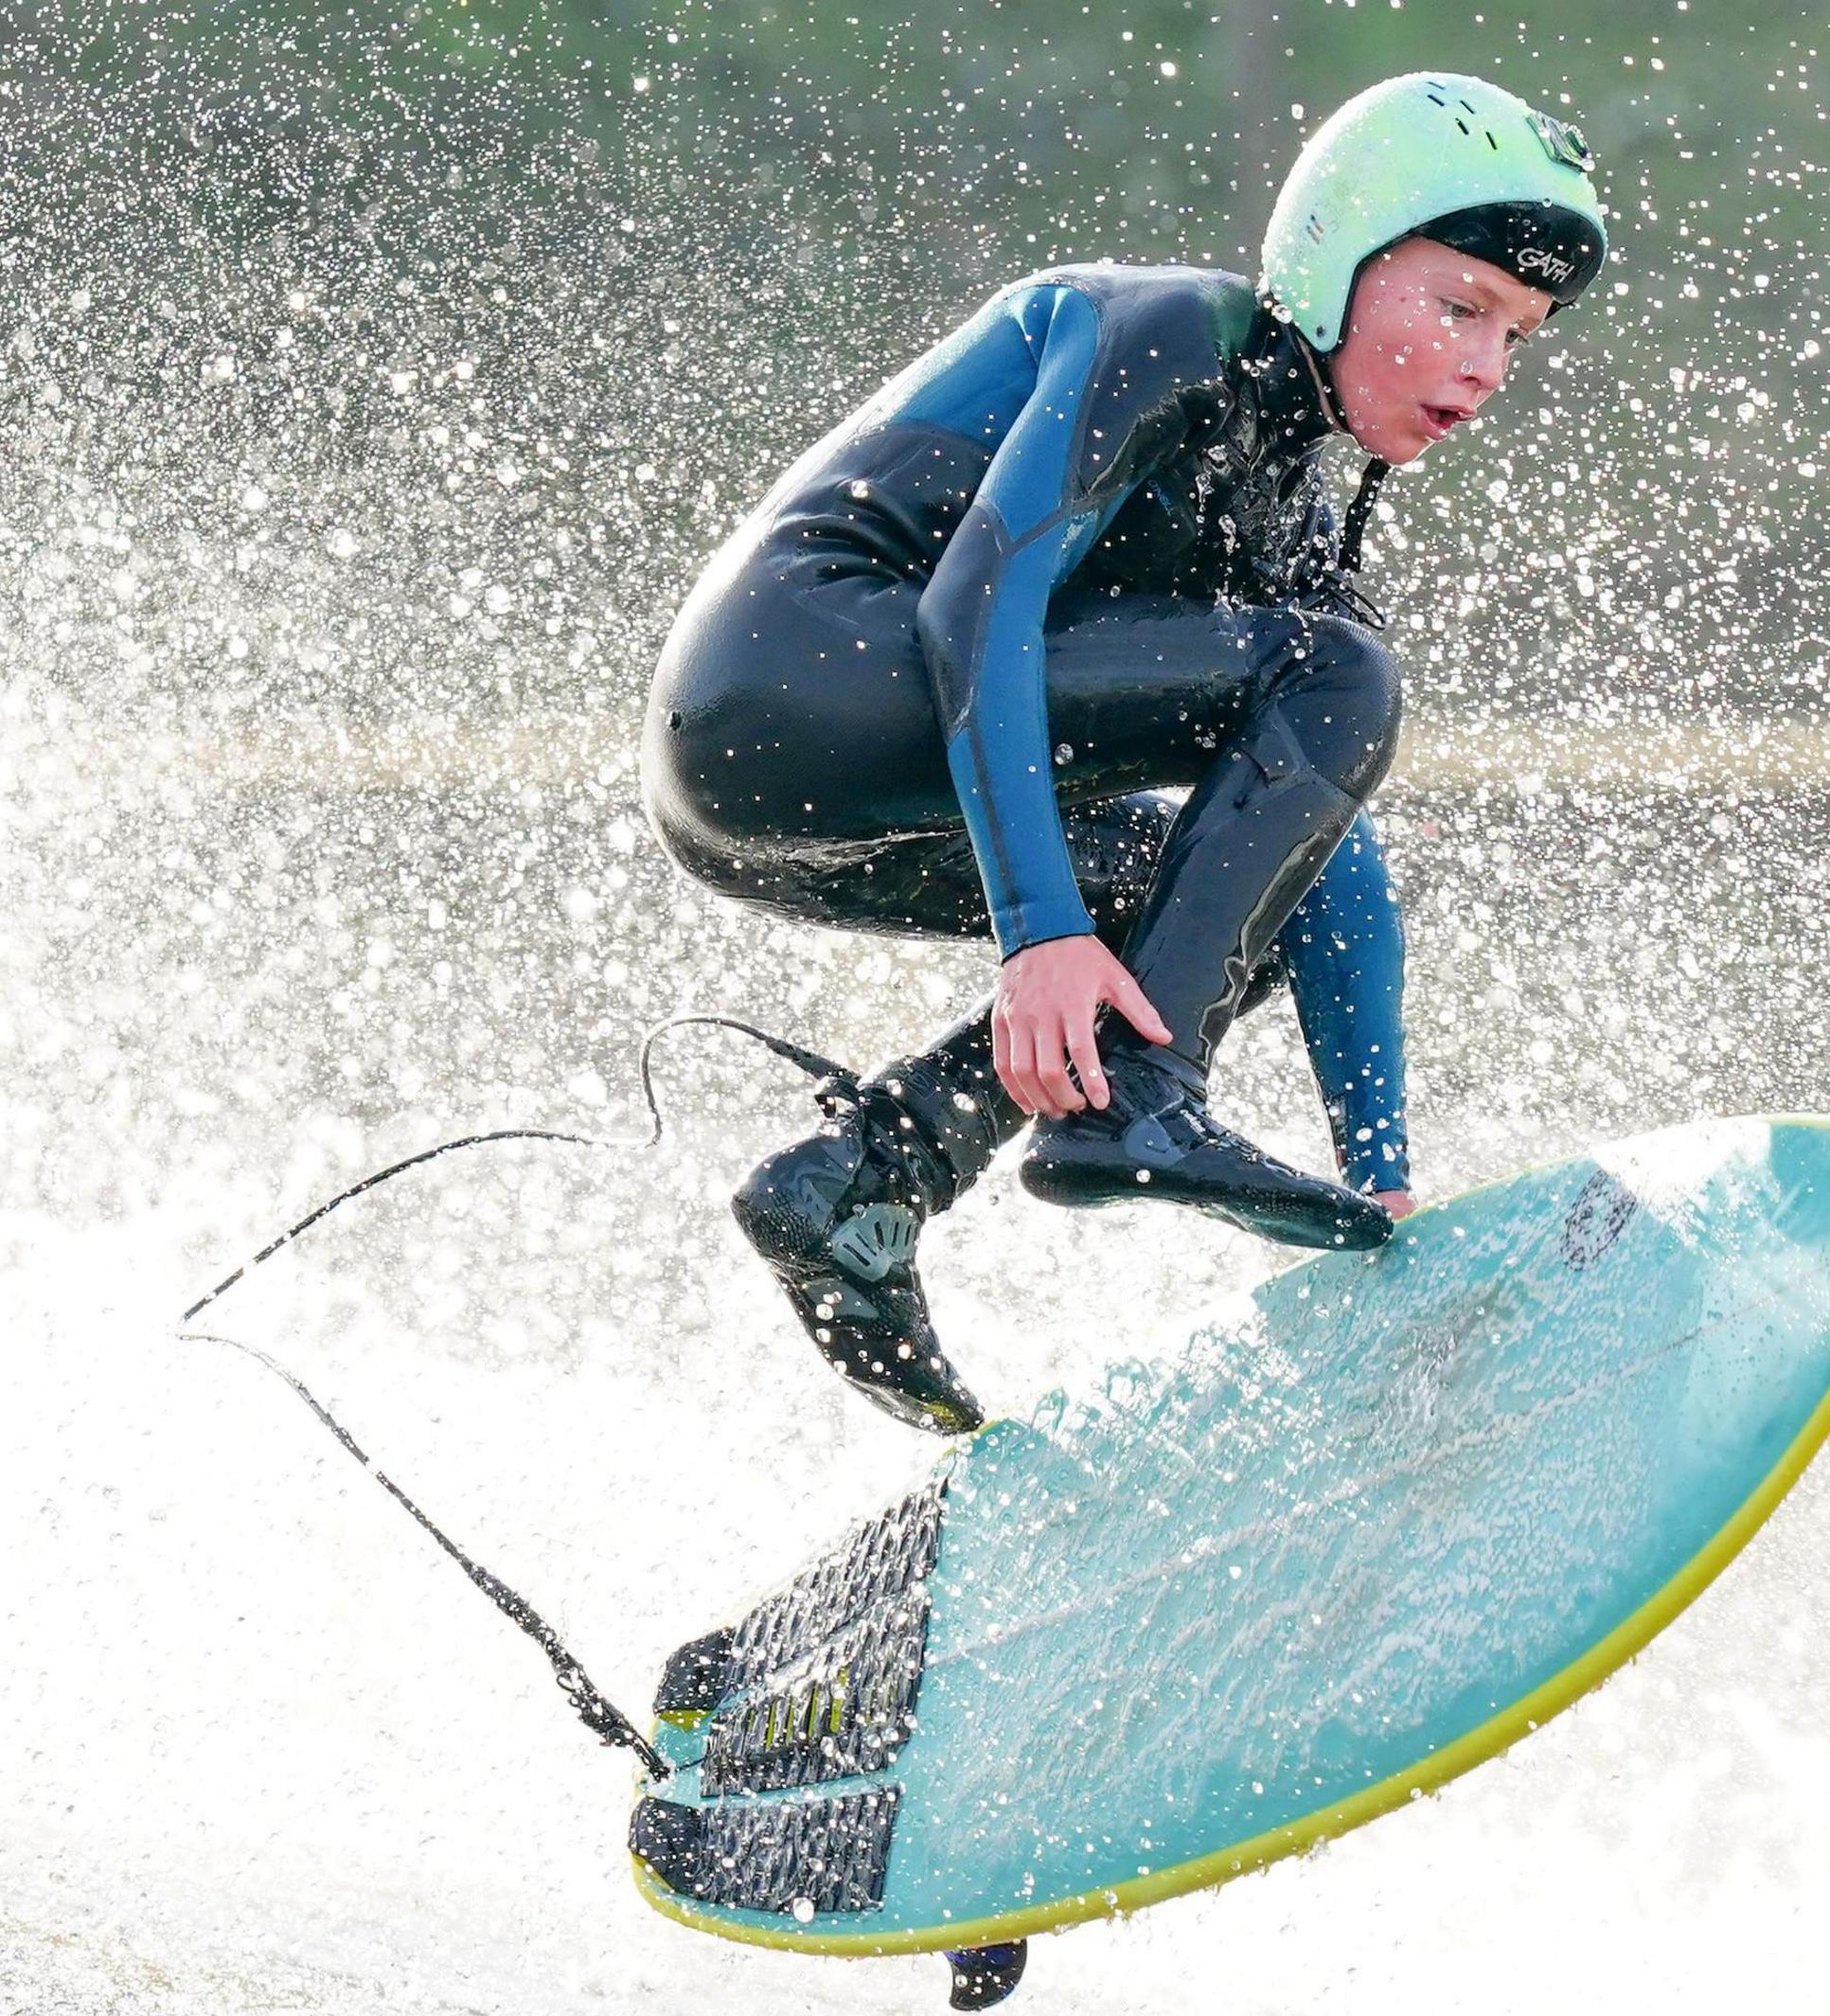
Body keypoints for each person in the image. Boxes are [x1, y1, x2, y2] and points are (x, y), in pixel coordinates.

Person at [642, 73, 1609, 1439]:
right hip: (796, 684)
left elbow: (1322, 860)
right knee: (1332, 679)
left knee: (1229, 905)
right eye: (1458, 308)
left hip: (789, 810)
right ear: (1334, 269)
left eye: (1520, 336)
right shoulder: (1172, 332)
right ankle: (1135, 1109)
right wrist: (1040, 932)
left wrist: (1386, 1182)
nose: (1485, 368)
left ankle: (867, 1177)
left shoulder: (1290, 516)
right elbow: (974, 596)